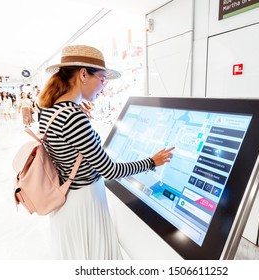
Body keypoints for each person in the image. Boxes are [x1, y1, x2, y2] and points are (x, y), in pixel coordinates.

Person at [38, 45, 174, 260]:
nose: (103, 87)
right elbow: (109, 170)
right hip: (84, 203)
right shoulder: (73, 116)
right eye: (102, 79)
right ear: (83, 74)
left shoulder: (49, 110)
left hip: (65, 202)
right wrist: (151, 162)